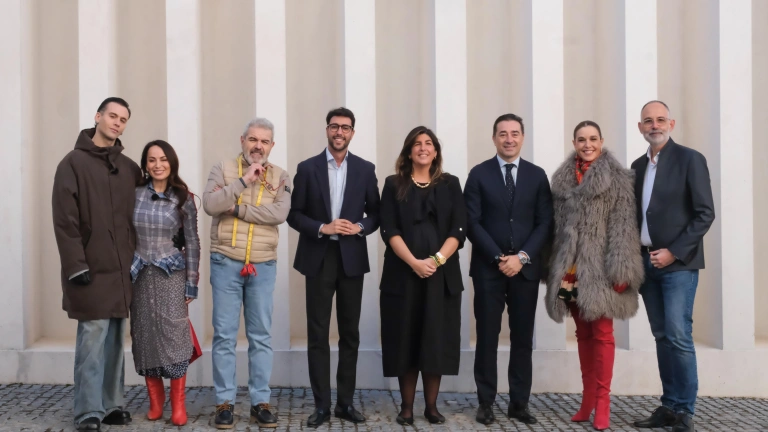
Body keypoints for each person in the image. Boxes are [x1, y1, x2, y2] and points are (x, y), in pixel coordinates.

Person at [544, 121, 644, 430]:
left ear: (601, 141)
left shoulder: (618, 178)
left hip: (601, 271)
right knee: (583, 335)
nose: (587, 145)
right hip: (570, 270)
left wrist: (622, 269)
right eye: (581, 139)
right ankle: (587, 399)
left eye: (592, 139)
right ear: (574, 143)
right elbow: (555, 228)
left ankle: (603, 401)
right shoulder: (561, 180)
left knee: (602, 335)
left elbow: (624, 226)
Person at [52, 97, 141, 431]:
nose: (117, 122)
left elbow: (143, 212)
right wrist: (76, 265)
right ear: (98, 117)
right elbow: (65, 220)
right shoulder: (72, 163)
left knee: (115, 340)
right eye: (112, 116)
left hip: (121, 270)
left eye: (123, 119)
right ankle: (88, 410)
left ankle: (112, 404)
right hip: (89, 268)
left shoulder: (129, 168)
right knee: (91, 340)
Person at [287, 107, 380, 427]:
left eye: (345, 127)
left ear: (352, 132)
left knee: (350, 334)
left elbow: (377, 214)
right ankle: (322, 406)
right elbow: (294, 214)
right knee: (317, 333)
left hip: (351, 259)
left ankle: (345, 403)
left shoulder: (365, 169)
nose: (339, 132)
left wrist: (361, 227)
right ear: (327, 129)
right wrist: (322, 228)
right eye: (334, 126)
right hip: (319, 257)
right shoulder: (307, 168)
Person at [631, 101, 715, 432]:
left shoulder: (690, 159)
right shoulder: (637, 166)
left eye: (660, 119)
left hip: (678, 265)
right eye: (648, 121)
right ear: (640, 127)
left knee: (679, 335)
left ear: (672, 123)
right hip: (646, 264)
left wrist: (674, 252)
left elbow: (705, 213)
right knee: (662, 336)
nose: (654, 125)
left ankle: (684, 412)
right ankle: (668, 406)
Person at [464, 113, 553, 426]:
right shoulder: (478, 174)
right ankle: (486, 402)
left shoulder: (537, 176)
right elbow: (471, 222)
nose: (509, 139)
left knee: (522, 339)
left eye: (515, 133)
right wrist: (499, 257)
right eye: (503, 134)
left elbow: (545, 222)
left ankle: (519, 403)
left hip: (525, 271)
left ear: (522, 138)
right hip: (489, 270)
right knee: (487, 337)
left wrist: (523, 257)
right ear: (494, 138)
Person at [203, 118, 292, 429]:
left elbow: (279, 213)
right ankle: (224, 403)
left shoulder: (280, 176)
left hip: (263, 264)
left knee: (261, 336)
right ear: (242, 140)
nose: (258, 146)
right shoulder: (223, 169)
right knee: (224, 335)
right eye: (253, 139)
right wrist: (242, 182)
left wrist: (236, 208)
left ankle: (260, 402)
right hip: (225, 260)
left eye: (264, 141)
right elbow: (211, 204)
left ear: (272, 145)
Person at [379, 126, 466, 425]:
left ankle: (431, 407)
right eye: (417, 143)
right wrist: (415, 263)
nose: (423, 148)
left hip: (441, 277)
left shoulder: (451, 184)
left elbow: (459, 228)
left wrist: (436, 260)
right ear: (408, 151)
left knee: (434, 339)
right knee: (405, 338)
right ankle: (406, 407)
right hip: (402, 275)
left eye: (428, 143)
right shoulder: (393, 184)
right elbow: (389, 229)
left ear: (436, 151)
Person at [130, 140, 200, 426]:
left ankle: (178, 405)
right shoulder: (133, 194)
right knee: (144, 334)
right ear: (145, 165)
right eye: (151, 160)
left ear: (171, 162)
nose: (157, 165)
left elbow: (192, 242)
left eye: (162, 159)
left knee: (174, 335)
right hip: (139, 273)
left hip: (172, 273)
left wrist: (192, 282)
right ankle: (155, 403)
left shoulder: (184, 197)